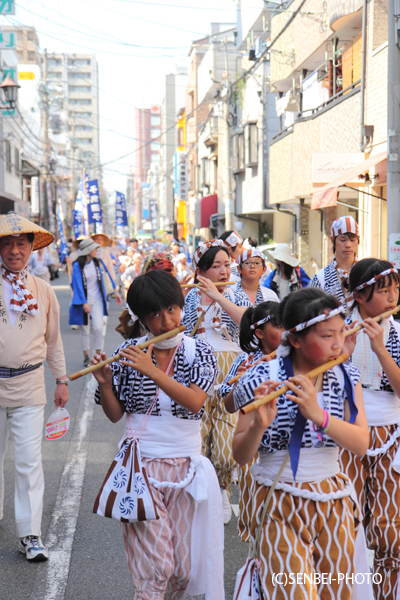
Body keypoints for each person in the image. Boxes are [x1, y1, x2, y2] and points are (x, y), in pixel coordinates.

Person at [91, 270, 223, 600]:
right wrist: (105, 384)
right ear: (142, 318)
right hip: (139, 469)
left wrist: (150, 370)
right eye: (154, 314)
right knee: (157, 567)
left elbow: (195, 402)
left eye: (171, 310)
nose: (166, 321)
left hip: (187, 469)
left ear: (181, 307)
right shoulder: (128, 353)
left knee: (183, 570)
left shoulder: (199, 352)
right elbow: (115, 414)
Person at [232, 287, 370, 599]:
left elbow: (361, 443)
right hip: (278, 496)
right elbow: (240, 454)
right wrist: (258, 425)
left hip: (332, 496)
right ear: (294, 340)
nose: (338, 344)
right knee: (290, 592)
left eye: (340, 333)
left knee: (335, 593)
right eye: (325, 336)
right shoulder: (259, 378)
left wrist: (318, 415)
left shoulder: (346, 376)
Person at [0, 212, 68, 562]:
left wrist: (61, 379)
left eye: (21, 244)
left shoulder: (42, 288)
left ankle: (30, 533)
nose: (14, 250)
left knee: (29, 462)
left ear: (30, 248)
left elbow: (53, 340)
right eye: (7, 244)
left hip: (29, 383)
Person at [340, 259, 400, 600]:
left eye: (395, 288)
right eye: (383, 290)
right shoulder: (337, 331)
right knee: (347, 522)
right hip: (347, 435)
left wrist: (380, 348)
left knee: (389, 528)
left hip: (392, 434)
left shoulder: (397, 333)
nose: (392, 297)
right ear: (360, 296)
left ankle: (386, 593)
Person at [183, 239, 252, 523]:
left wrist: (220, 297)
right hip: (197, 368)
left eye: (227, 264)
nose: (224, 271)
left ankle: (222, 485)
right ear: (201, 271)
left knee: (224, 448)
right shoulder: (188, 297)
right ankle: (203, 491)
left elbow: (248, 322)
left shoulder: (237, 295)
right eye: (216, 266)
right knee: (198, 438)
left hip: (229, 370)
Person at [219, 301, 283, 542]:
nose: (287, 331)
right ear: (260, 333)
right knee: (253, 501)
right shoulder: (247, 361)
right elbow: (226, 398)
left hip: (281, 443)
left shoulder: (296, 358)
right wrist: (244, 379)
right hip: (251, 439)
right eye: (279, 326)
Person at [69, 239, 110, 366]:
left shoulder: (96, 263)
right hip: (84, 301)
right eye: (94, 249)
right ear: (87, 251)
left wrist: (115, 292)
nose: (96, 251)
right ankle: (86, 356)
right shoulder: (77, 266)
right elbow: (77, 285)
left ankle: (98, 354)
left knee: (98, 327)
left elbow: (104, 279)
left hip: (97, 299)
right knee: (85, 330)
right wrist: (84, 302)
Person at [309, 215, 359, 312]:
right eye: (343, 240)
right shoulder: (320, 279)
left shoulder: (367, 273)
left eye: (352, 240)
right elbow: (309, 312)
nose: (348, 245)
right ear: (333, 241)